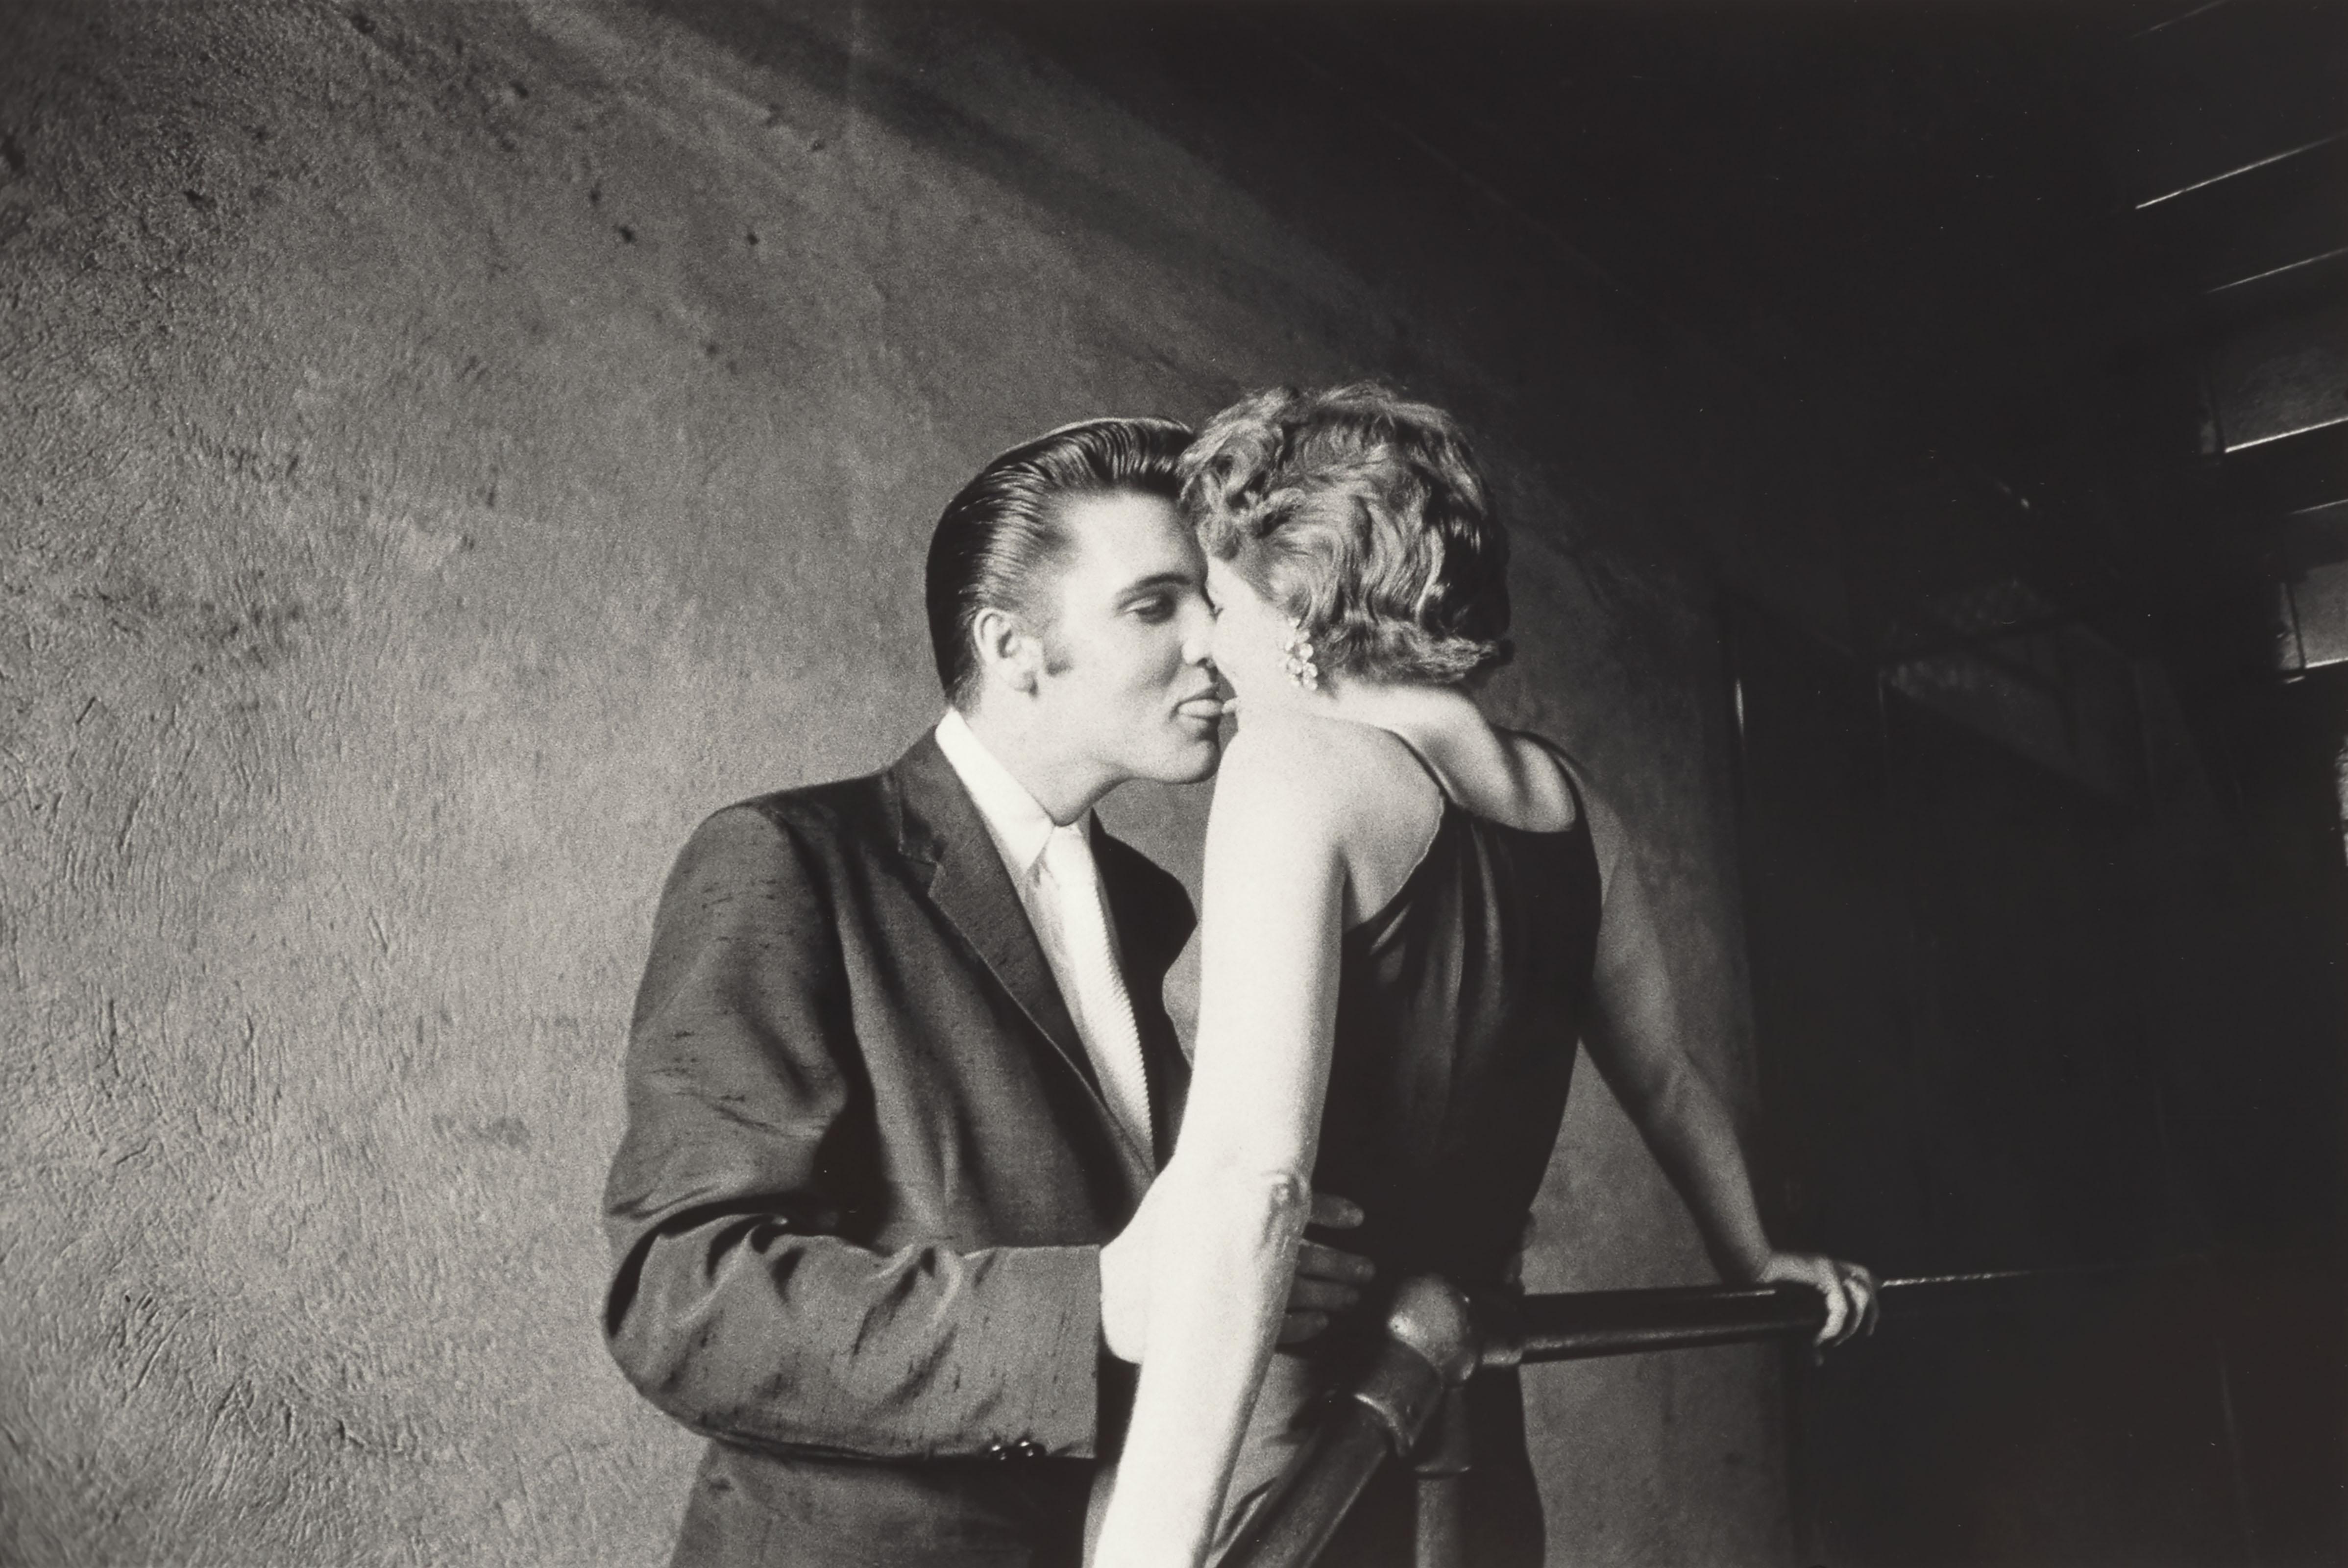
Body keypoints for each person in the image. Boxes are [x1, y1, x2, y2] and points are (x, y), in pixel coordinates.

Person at [1088, 385, 1878, 1568]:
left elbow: (1253, 1179)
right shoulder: (1572, 803)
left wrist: (1152, 1545)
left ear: (1296, 601)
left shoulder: (1297, 768)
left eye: (1217, 595)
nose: (1202, 639)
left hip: (1287, 1431)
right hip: (1466, 1421)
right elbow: (1665, 1082)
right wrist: (1753, 1257)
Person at [600, 417, 1373, 1568]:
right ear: (1012, 645)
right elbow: (683, 1301)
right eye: (1154, 605)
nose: (1213, 640)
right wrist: (1099, 1302)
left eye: (1209, 599)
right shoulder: (786, 858)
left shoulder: (1157, 907)